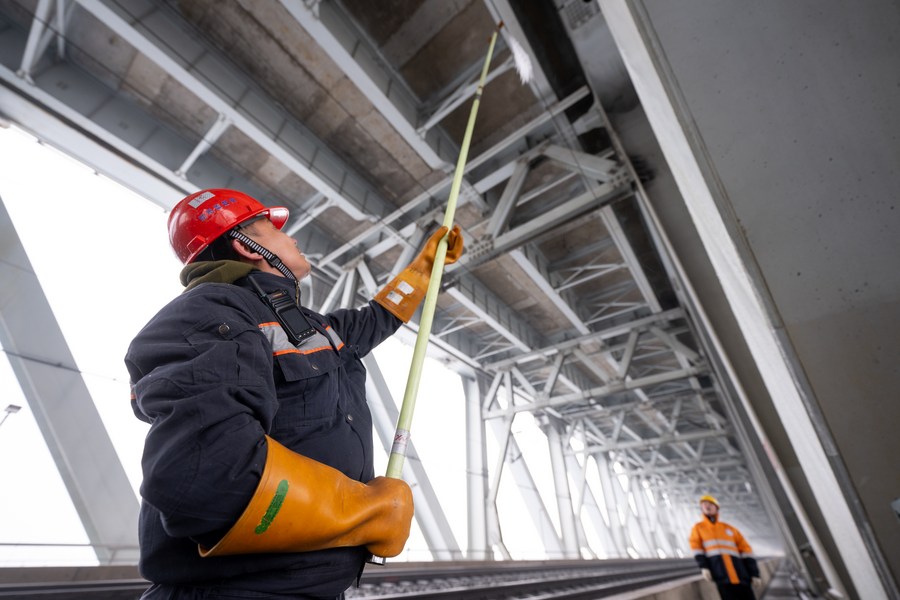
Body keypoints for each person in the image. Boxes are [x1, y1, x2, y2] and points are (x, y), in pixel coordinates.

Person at [125, 188, 464, 599]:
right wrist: (363, 510)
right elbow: (208, 478)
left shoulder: (310, 327)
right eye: (275, 229)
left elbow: (378, 317)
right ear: (245, 245)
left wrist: (425, 269)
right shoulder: (210, 313)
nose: (294, 238)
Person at [689, 494, 762, 600]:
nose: (707, 506)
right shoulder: (698, 528)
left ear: (716, 508)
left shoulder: (729, 529)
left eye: (710, 504)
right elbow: (696, 548)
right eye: (704, 505)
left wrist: (754, 573)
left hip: (741, 576)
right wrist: (704, 567)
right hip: (722, 577)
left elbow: (746, 551)